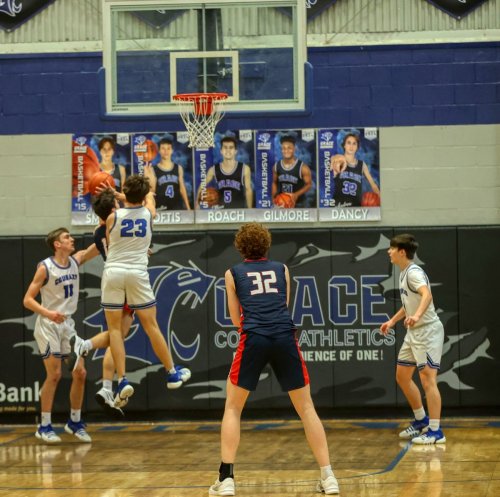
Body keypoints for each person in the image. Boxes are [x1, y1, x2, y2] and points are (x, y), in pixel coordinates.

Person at [209, 222, 339, 496]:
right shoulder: (282, 269)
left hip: (254, 337)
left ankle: (226, 479)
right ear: (266, 245)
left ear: (240, 247)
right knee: (307, 408)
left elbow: (235, 319)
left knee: (233, 408)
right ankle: (329, 477)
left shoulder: (232, 273)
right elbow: (284, 305)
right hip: (283, 335)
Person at [100, 174, 190, 407]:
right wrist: (142, 190)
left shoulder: (112, 218)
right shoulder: (149, 213)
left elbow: (111, 242)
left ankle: (122, 380)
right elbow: (148, 199)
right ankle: (171, 373)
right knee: (152, 327)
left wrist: (119, 195)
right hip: (137, 273)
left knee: (115, 330)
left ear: (125, 192)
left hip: (114, 271)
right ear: (144, 195)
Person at [23, 227, 98, 443]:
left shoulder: (75, 260)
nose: (71, 239)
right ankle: (44, 426)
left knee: (80, 372)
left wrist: (106, 224)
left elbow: (97, 246)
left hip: (67, 324)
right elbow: (27, 300)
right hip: (48, 324)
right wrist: (49, 313)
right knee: (54, 374)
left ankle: (74, 422)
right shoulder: (45, 268)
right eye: (67, 237)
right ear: (57, 244)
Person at [68, 190, 135, 417]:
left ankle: (107, 388)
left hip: (110, 280)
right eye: (116, 204)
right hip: (124, 280)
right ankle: (84, 345)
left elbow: (87, 253)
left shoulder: (98, 232)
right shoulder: (117, 228)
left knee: (116, 337)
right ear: (113, 210)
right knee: (117, 334)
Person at [380, 234, 446, 445]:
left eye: (392, 248)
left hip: (427, 331)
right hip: (414, 332)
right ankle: (421, 420)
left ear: (402, 252)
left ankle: (435, 431)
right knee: (402, 376)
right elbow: (409, 303)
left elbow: (427, 295)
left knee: (428, 380)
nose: (389, 251)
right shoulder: (404, 273)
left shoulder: (413, 273)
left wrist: (416, 316)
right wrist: (392, 321)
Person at [196, 136, 253, 209]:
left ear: (235, 151)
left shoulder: (244, 169)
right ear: (221, 151)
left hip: (239, 210)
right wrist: (197, 203)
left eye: (231, 148)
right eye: (225, 147)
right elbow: (202, 185)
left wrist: (250, 209)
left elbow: (248, 190)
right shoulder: (213, 170)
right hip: (221, 211)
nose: (228, 150)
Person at [329, 132, 379, 207]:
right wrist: (335, 158)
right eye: (348, 143)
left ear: (357, 147)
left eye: (354, 143)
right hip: (338, 206)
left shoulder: (362, 164)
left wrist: (380, 198)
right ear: (344, 145)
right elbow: (333, 159)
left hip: (355, 208)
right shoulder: (339, 160)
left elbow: (373, 185)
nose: (351, 146)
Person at [143, 137, 191, 210]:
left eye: (168, 148)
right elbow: (152, 191)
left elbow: (182, 189)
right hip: (160, 207)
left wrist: (188, 207)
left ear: (172, 150)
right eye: (163, 148)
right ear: (159, 150)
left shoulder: (178, 168)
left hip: (177, 207)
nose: (166, 151)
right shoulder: (153, 169)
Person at [272, 135, 313, 208]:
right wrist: (274, 198)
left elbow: (308, 184)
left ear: (294, 149)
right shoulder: (276, 166)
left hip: (299, 203)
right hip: (282, 203)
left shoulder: (303, 167)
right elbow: (274, 182)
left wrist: (296, 195)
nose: (286, 151)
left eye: (289, 148)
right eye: (284, 148)